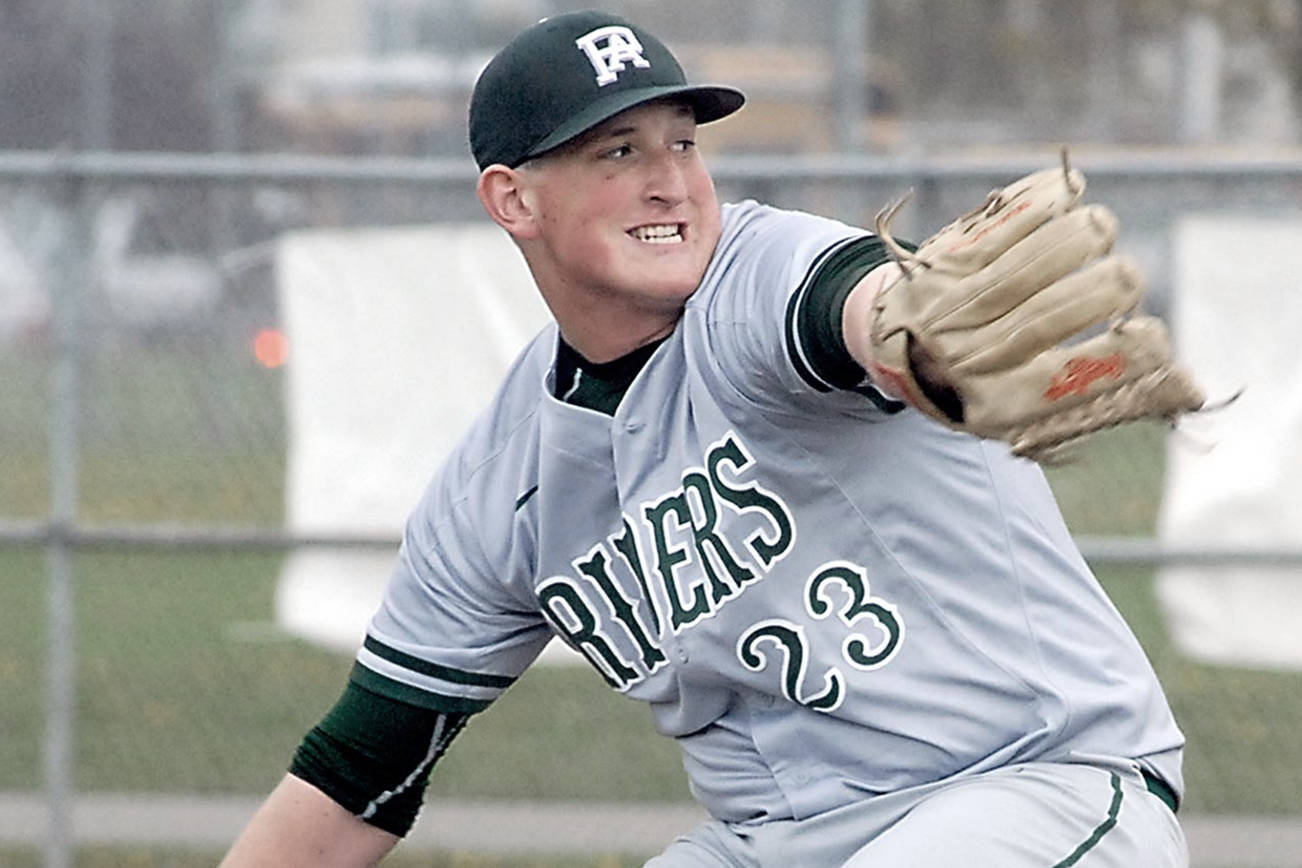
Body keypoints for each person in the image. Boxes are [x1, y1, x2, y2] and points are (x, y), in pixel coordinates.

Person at [221, 10, 1189, 867]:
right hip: (769, 841)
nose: (669, 184)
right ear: (514, 200)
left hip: (1027, 784)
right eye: (617, 153)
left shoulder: (753, 281)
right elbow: (360, 773)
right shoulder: (499, 491)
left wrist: (912, 335)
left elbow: (848, 301)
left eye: (682, 145)